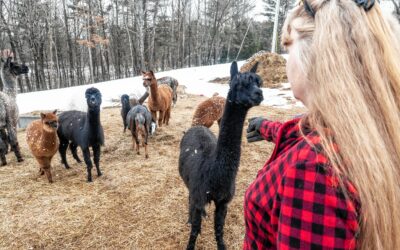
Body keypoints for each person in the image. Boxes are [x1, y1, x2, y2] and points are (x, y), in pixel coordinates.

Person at [244, 0, 400, 249]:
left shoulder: (315, 171)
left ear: (317, 53)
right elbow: (302, 130)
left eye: (288, 46)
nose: (286, 62)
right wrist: (265, 127)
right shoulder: (368, 131)